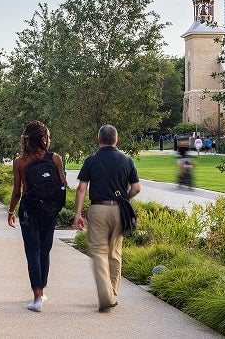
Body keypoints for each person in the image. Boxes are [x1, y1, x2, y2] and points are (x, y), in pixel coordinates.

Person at [73, 124, 141, 312]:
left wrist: (78, 214)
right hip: (120, 211)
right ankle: (112, 294)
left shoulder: (91, 160)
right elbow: (136, 188)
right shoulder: (127, 160)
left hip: (98, 208)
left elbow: (81, 189)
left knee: (98, 252)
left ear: (99, 140)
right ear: (116, 140)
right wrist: (124, 198)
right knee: (115, 253)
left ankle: (105, 296)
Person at [7, 120, 67, 313]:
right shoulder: (55, 158)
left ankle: (37, 296)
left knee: (32, 251)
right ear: (44, 138)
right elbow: (63, 184)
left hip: (29, 209)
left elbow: (17, 191)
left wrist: (11, 212)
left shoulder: (19, 161)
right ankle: (42, 290)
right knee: (45, 249)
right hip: (50, 210)